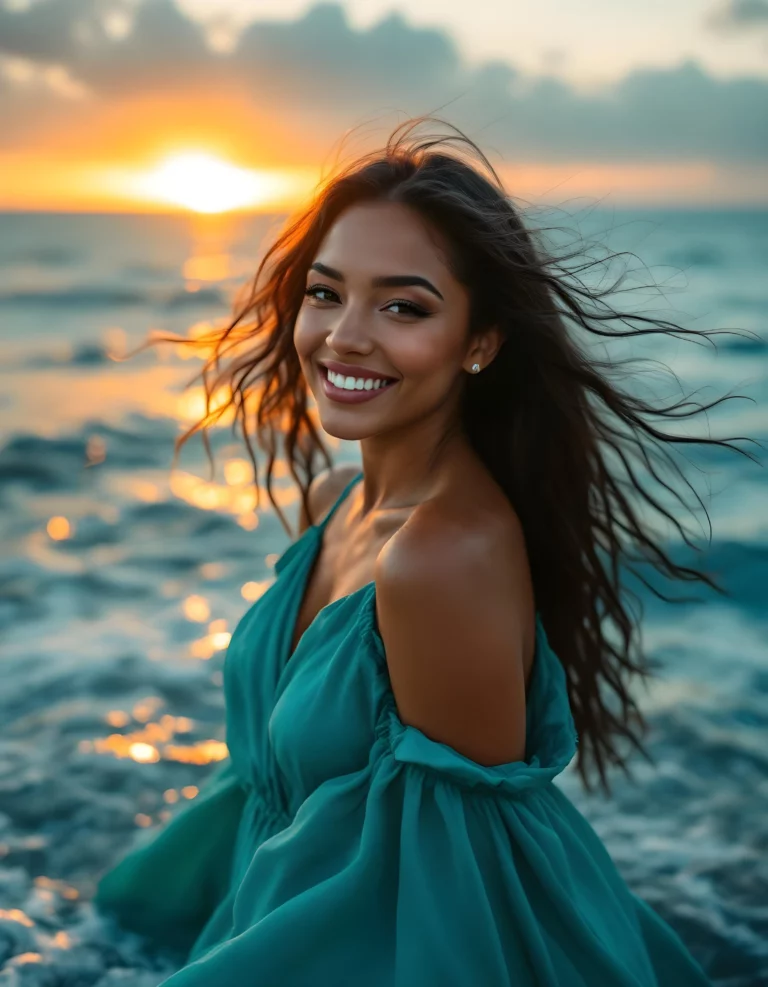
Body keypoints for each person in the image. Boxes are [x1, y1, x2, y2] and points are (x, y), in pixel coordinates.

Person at [94, 117, 742, 985]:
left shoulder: (439, 561)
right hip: (262, 913)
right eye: (326, 293)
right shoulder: (336, 504)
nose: (345, 336)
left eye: (404, 306)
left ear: (480, 342)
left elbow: (458, 889)